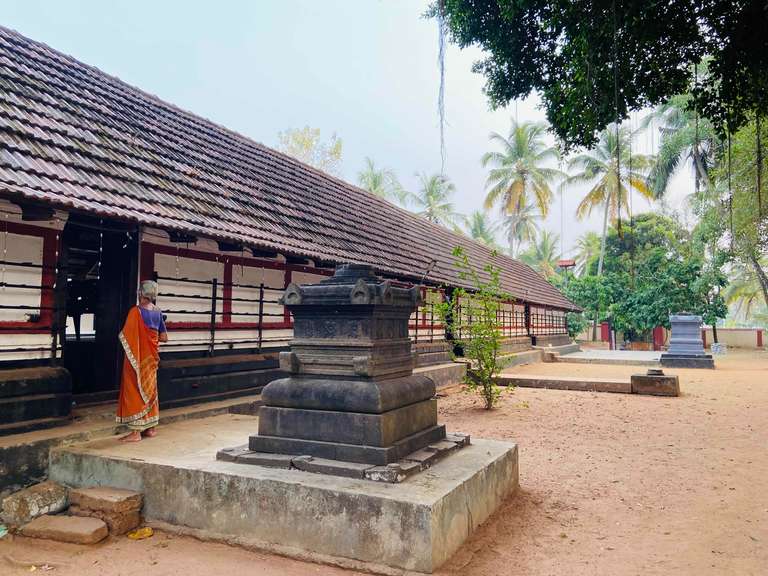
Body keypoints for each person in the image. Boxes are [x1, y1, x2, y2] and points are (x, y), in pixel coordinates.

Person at [116, 280, 168, 442]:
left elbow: (125, 335)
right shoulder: (158, 312)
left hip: (137, 359)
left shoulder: (135, 312)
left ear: (140, 294)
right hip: (151, 359)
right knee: (150, 389)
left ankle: (135, 432)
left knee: (135, 389)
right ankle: (151, 429)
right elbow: (164, 337)